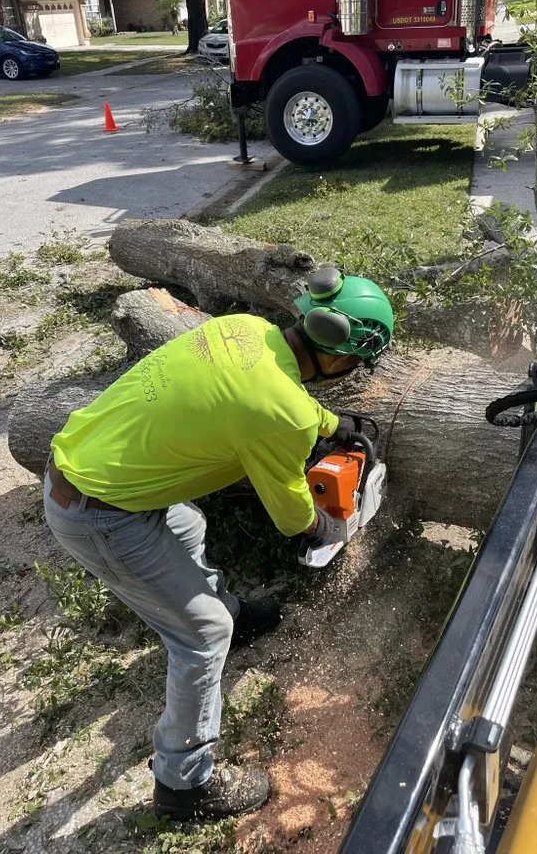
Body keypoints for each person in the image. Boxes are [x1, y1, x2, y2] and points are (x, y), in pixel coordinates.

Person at [43, 267, 394, 821]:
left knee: (190, 527)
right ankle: (185, 784)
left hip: (97, 466)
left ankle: (225, 605)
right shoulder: (280, 413)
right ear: (344, 355)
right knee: (204, 635)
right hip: (99, 516)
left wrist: (331, 426)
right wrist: (330, 529)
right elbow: (292, 516)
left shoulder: (244, 329)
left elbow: (277, 396)